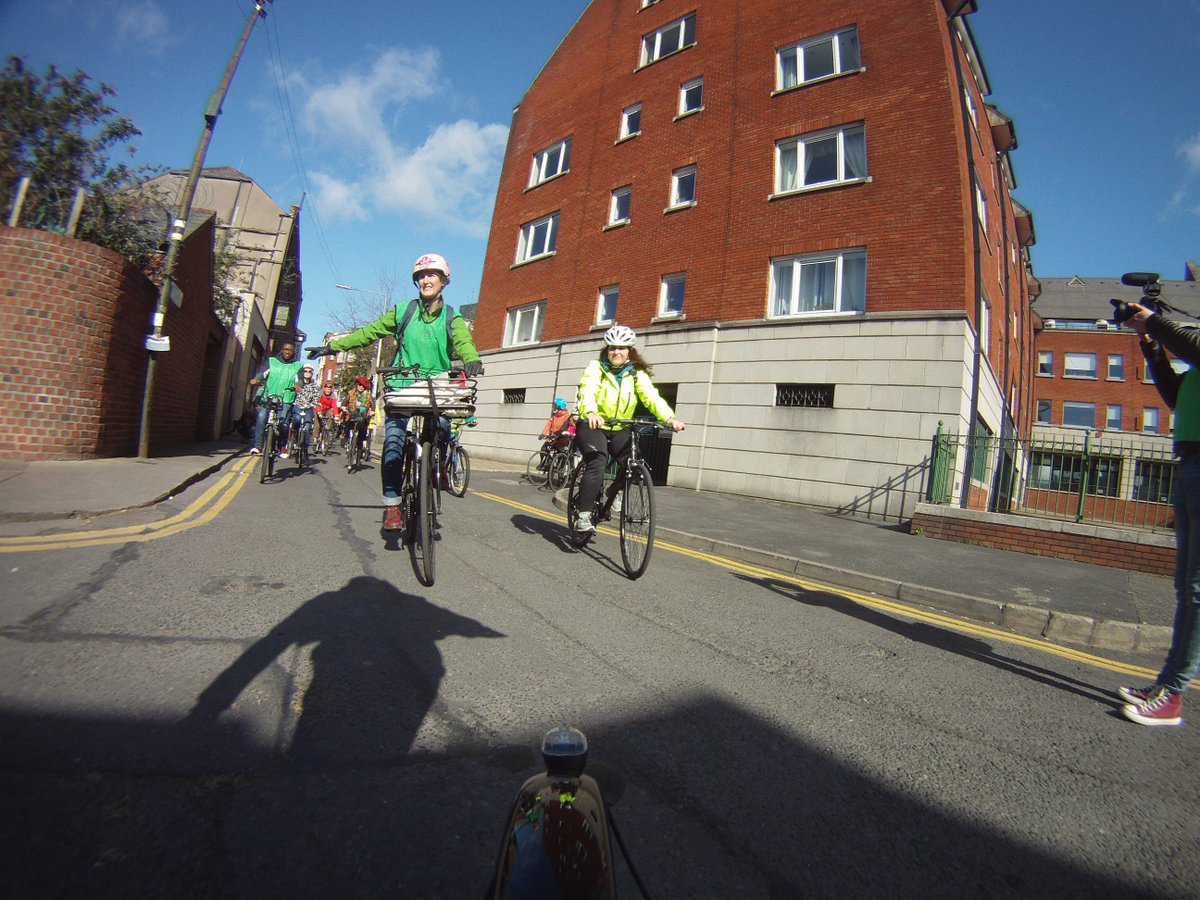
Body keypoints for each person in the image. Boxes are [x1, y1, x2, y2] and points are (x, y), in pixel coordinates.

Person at [308, 253, 483, 530]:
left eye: (432, 275)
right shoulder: (404, 311)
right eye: (421, 276)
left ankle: (437, 470)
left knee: (442, 429)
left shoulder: (452, 317)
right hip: (402, 385)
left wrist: (472, 359)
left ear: (444, 281)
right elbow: (370, 331)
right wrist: (334, 347)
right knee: (393, 444)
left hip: (436, 385)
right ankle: (392, 504)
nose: (426, 280)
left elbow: (464, 342)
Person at [1114, 304, 1200, 726]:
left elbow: (1194, 345)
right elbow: (1173, 393)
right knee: (1186, 585)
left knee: (1198, 589)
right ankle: (1166, 684)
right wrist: (1149, 344)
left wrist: (1154, 322)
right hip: (1189, 459)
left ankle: (1173, 693)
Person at [572, 324, 684, 533]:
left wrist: (669, 417)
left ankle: (615, 490)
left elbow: (651, 397)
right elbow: (588, 389)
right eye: (613, 347)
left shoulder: (636, 374)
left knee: (635, 463)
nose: (617, 352)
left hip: (620, 426)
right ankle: (584, 516)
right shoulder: (596, 367)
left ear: (629, 351)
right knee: (597, 462)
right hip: (593, 423)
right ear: (607, 349)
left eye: (622, 348)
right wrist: (591, 412)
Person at [249, 342, 303, 456]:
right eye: (285, 349)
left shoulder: (297, 365)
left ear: (294, 352)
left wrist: (298, 385)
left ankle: (282, 446)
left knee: (283, 423)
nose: (287, 351)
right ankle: (258, 445)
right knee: (261, 417)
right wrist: (256, 379)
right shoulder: (271, 361)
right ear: (281, 350)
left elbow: (300, 380)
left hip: (285, 398)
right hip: (268, 396)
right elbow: (262, 374)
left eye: (290, 350)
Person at [290, 365, 321, 455]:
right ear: (302, 373)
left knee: (307, 426)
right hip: (298, 406)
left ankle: (305, 447)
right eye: (305, 371)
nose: (307, 373)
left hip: (308, 408)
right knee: (297, 419)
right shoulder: (298, 383)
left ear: (312, 373)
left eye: (309, 371)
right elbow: (292, 394)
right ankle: (295, 437)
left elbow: (316, 397)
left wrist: (312, 404)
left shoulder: (314, 385)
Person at [314, 382, 341, 448]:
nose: (328, 390)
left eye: (329, 389)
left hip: (327, 410)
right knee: (317, 424)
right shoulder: (320, 394)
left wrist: (336, 415)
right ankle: (315, 439)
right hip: (319, 408)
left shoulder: (333, 396)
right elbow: (316, 403)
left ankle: (327, 431)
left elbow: (334, 406)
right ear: (324, 389)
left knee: (330, 415)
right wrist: (319, 412)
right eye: (327, 389)